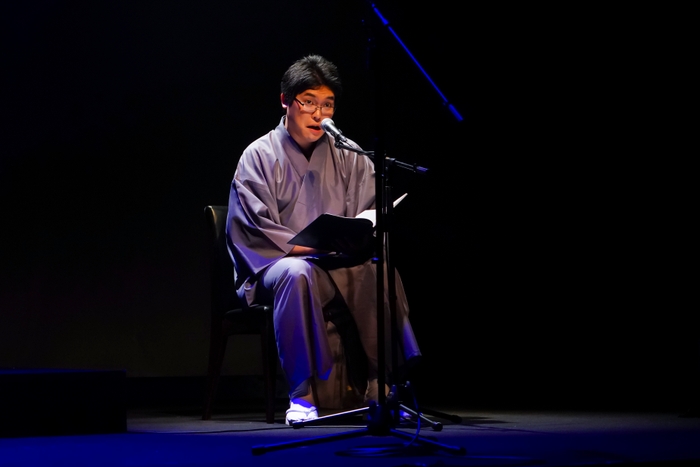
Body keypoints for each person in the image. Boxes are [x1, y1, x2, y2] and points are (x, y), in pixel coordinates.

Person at [226, 54, 421, 425]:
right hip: (275, 267)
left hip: (335, 261)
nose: (319, 114)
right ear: (286, 101)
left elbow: (367, 213)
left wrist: (360, 235)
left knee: (376, 268)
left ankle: (381, 386)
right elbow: (255, 229)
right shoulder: (258, 156)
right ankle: (302, 395)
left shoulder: (348, 155)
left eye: (327, 105)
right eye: (309, 102)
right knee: (297, 272)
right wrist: (316, 247)